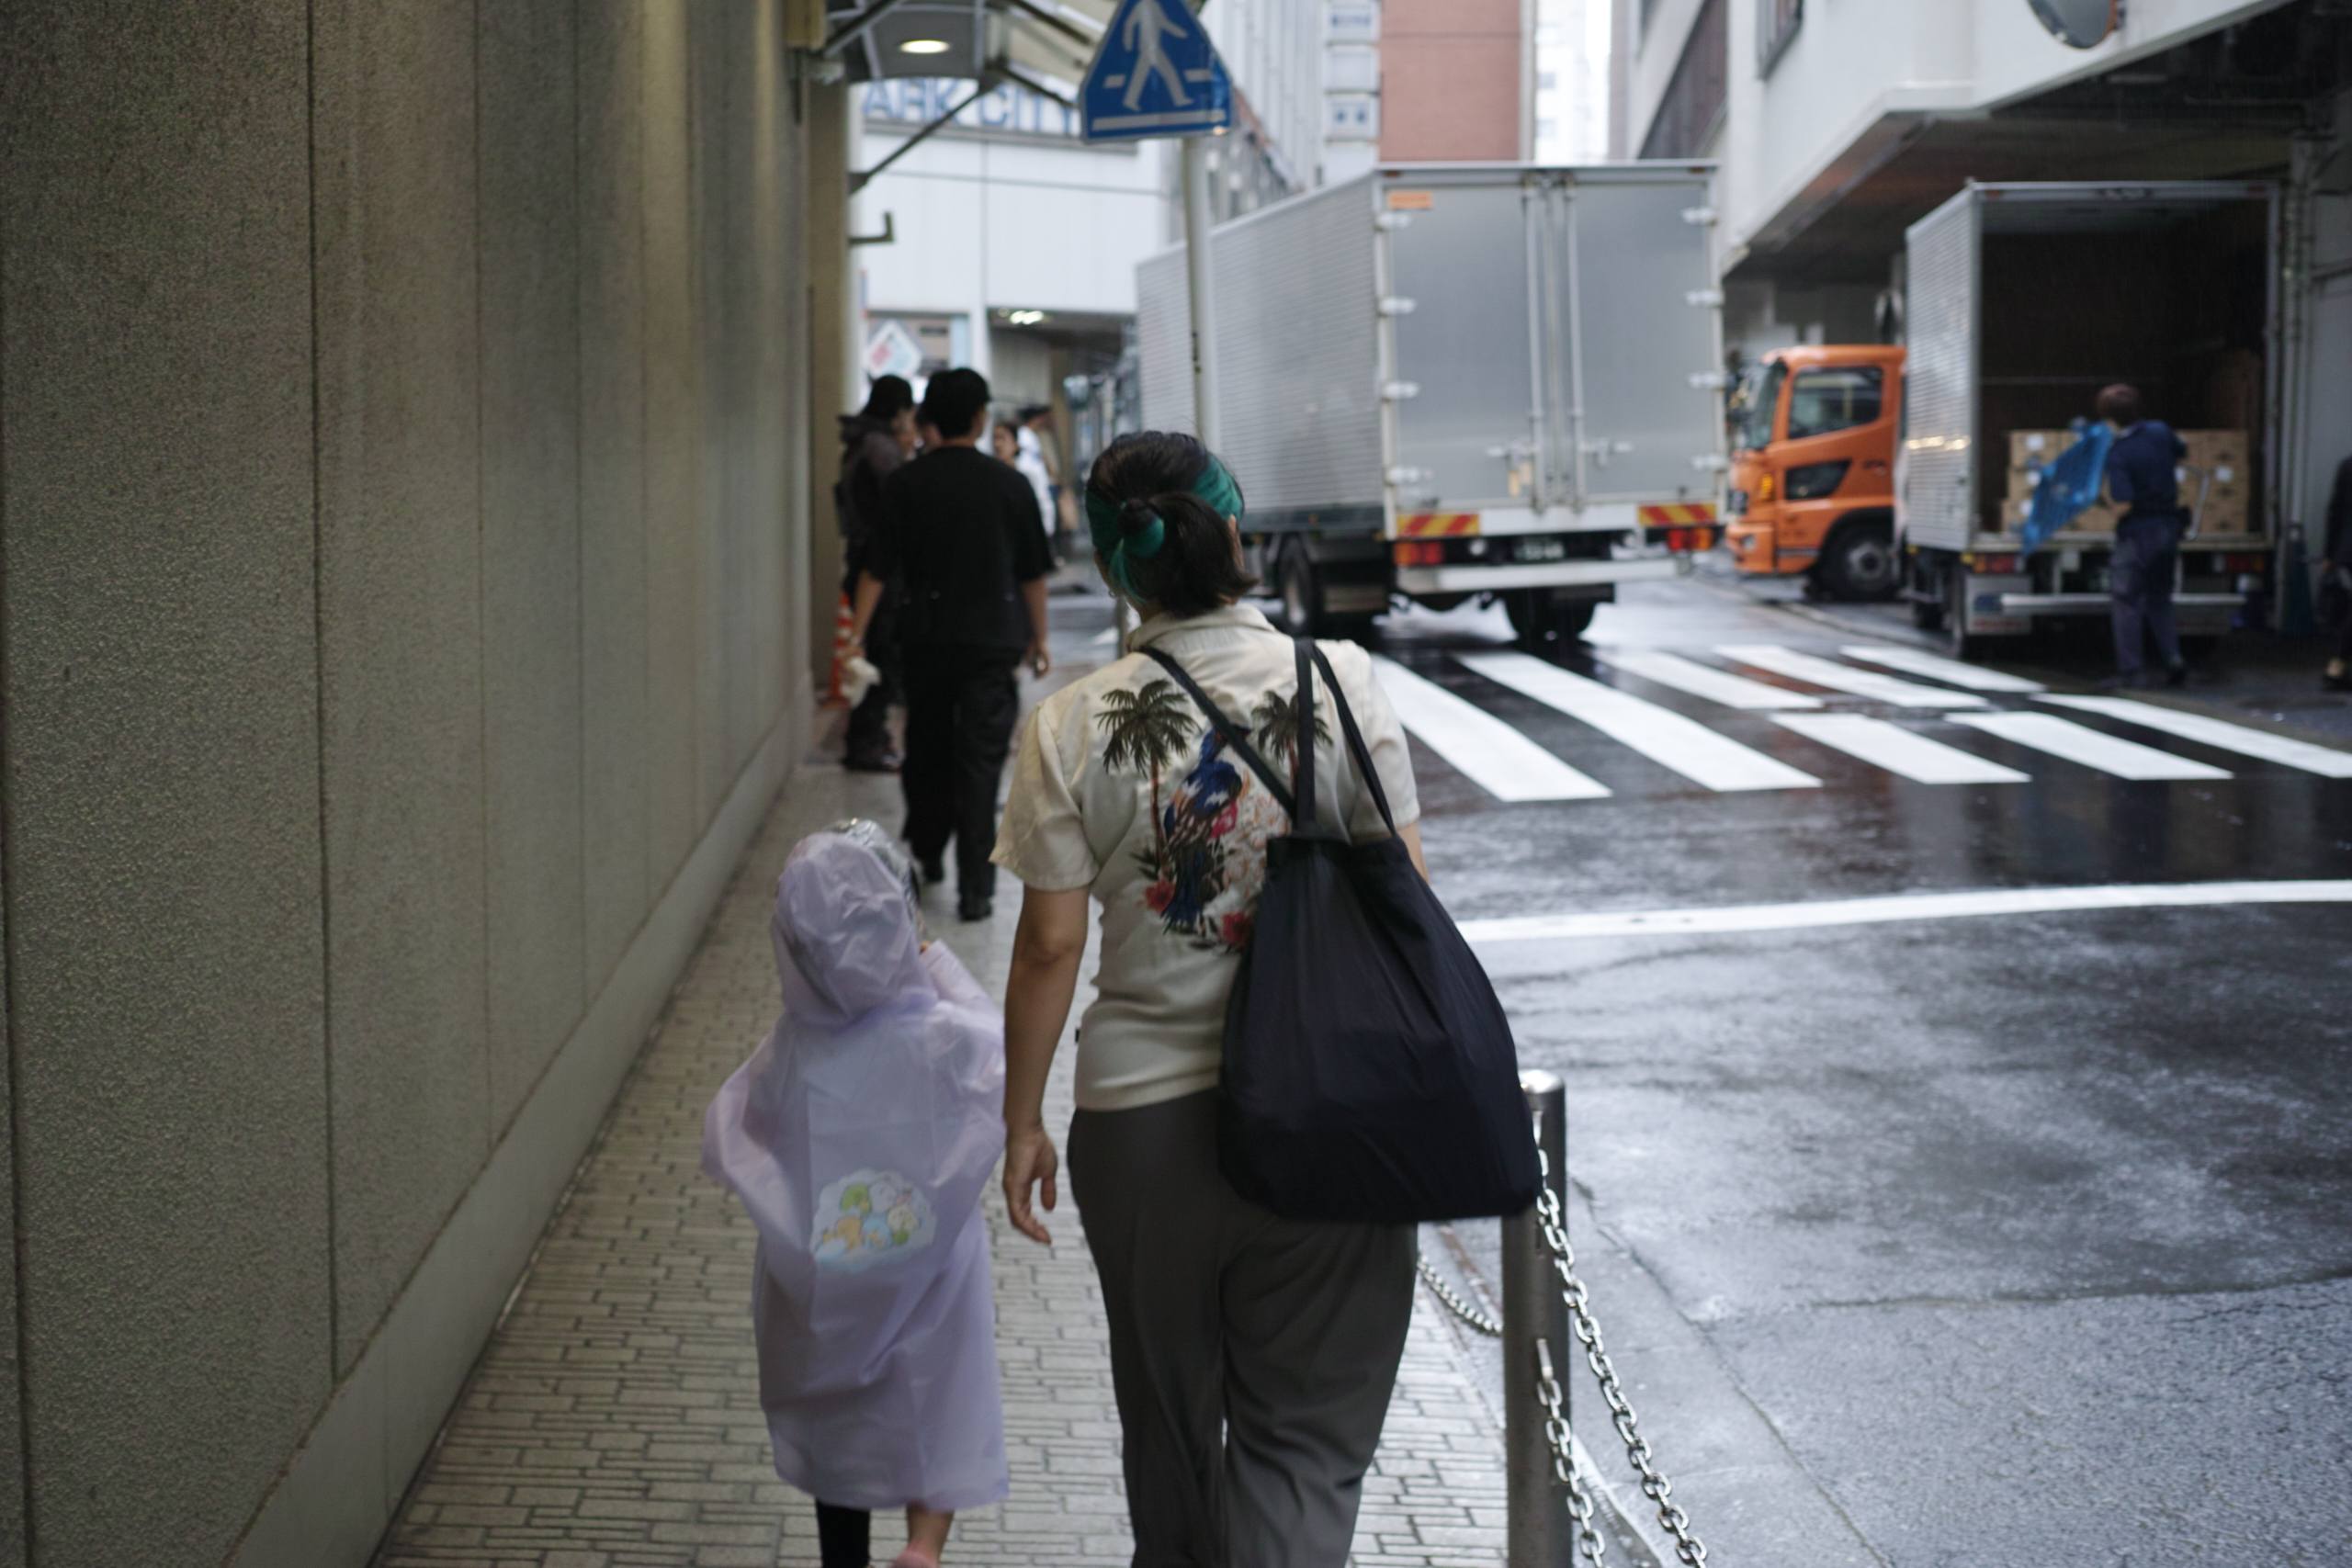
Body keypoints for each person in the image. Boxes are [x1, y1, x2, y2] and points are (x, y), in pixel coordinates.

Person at [990, 432, 1430, 1568]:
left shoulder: (1071, 724)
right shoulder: (1341, 684)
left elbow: (1047, 946)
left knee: (1171, 1434)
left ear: (1114, 565)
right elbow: (1409, 897)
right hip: (1333, 1120)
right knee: (1299, 1446)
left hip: (1142, 1133)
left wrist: (1021, 1121)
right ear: (1235, 534)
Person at [700, 820, 1009, 1568]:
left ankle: (845, 1554)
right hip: (931, 1270)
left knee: (840, 1418)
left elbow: (735, 1129)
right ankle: (924, 1545)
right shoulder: (939, 1033)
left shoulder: (795, 1048)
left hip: (834, 1274)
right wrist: (931, 957)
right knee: (937, 1392)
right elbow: (1004, 1057)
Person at [847, 368, 1053, 922]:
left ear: (929, 418)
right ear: (981, 419)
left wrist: (852, 640)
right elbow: (1033, 572)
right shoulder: (1011, 485)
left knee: (929, 748)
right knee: (981, 762)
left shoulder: (906, 484)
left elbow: (877, 568)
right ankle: (977, 890)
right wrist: (1040, 638)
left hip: (926, 642)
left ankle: (930, 851)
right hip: (991, 644)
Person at [838, 377, 918, 771]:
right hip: (877, 566)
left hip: (863, 559)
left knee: (876, 651)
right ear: (898, 410)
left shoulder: (859, 441)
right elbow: (902, 499)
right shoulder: (879, 447)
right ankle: (867, 742)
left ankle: (871, 738)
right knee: (882, 653)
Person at [2098, 383, 2189, 690]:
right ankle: (2173, 658)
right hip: (2169, 526)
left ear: (2109, 419)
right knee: (2160, 598)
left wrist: (2103, 500)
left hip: (2137, 533)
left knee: (2126, 600)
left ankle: (2132, 672)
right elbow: (2182, 450)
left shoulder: (2119, 453)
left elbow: (2124, 504)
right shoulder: (2160, 431)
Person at [2320, 452, 2352, 692]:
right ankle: (2338, 662)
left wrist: (2330, 554)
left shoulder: (2347, 466)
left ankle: (2338, 664)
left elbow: (2335, 511)